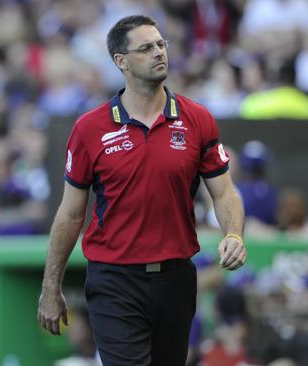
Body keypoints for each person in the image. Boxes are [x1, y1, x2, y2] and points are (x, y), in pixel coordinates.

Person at [38, 15, 247, 366]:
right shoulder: (90, 128)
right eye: (146, 48)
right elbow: (71, 214)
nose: (159, 53)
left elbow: (224, 192)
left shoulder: (197, 119)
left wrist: (235, 235)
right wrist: (50, 287)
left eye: (161, 44)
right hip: (114, 280)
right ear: (121, 61)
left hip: (177, 278)